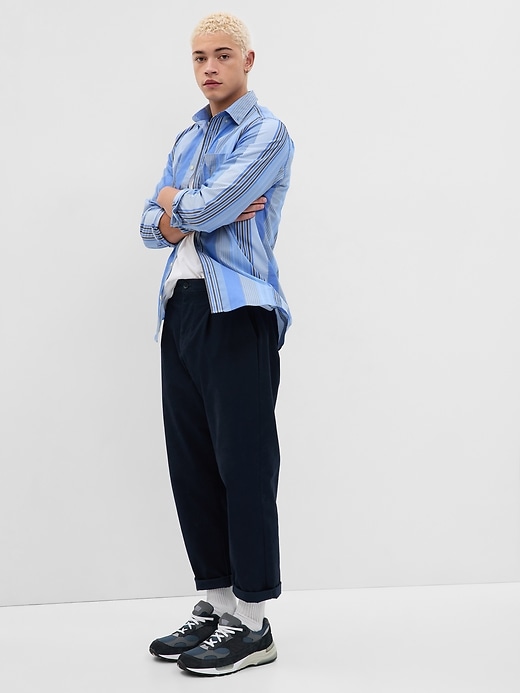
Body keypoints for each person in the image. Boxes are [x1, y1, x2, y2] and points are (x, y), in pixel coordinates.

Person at [139, 11, 294, 677]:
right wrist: (189, 205)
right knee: (193, 465)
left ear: (247, 61)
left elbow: (197, 210)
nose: (209, 67)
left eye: (222, 55)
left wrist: (181, 203)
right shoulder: (187, 136)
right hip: (180, 310)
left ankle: (254, 623)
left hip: (237, 311)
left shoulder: (266, 133)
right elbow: (149, 226)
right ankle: (219, 604)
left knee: (244, 464)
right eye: (200, 57)